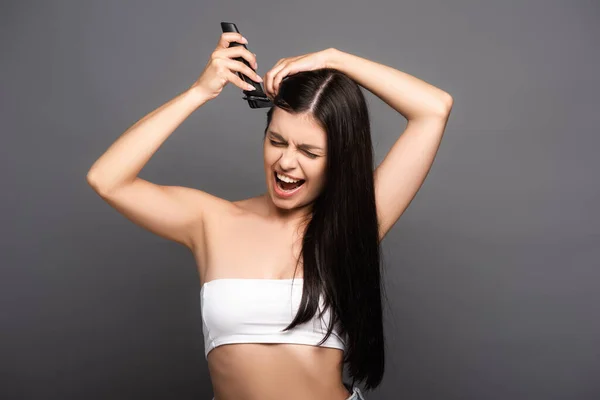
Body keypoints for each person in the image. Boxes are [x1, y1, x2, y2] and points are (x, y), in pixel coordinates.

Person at [86, 31, 453, 400]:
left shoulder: (353, 223)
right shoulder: (210, 221)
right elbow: (107, 179)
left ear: (339, 160)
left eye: (309, 152)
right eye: (277, 141)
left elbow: (433, 109)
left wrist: (334, 58)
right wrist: (200, 92)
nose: (286, 162)